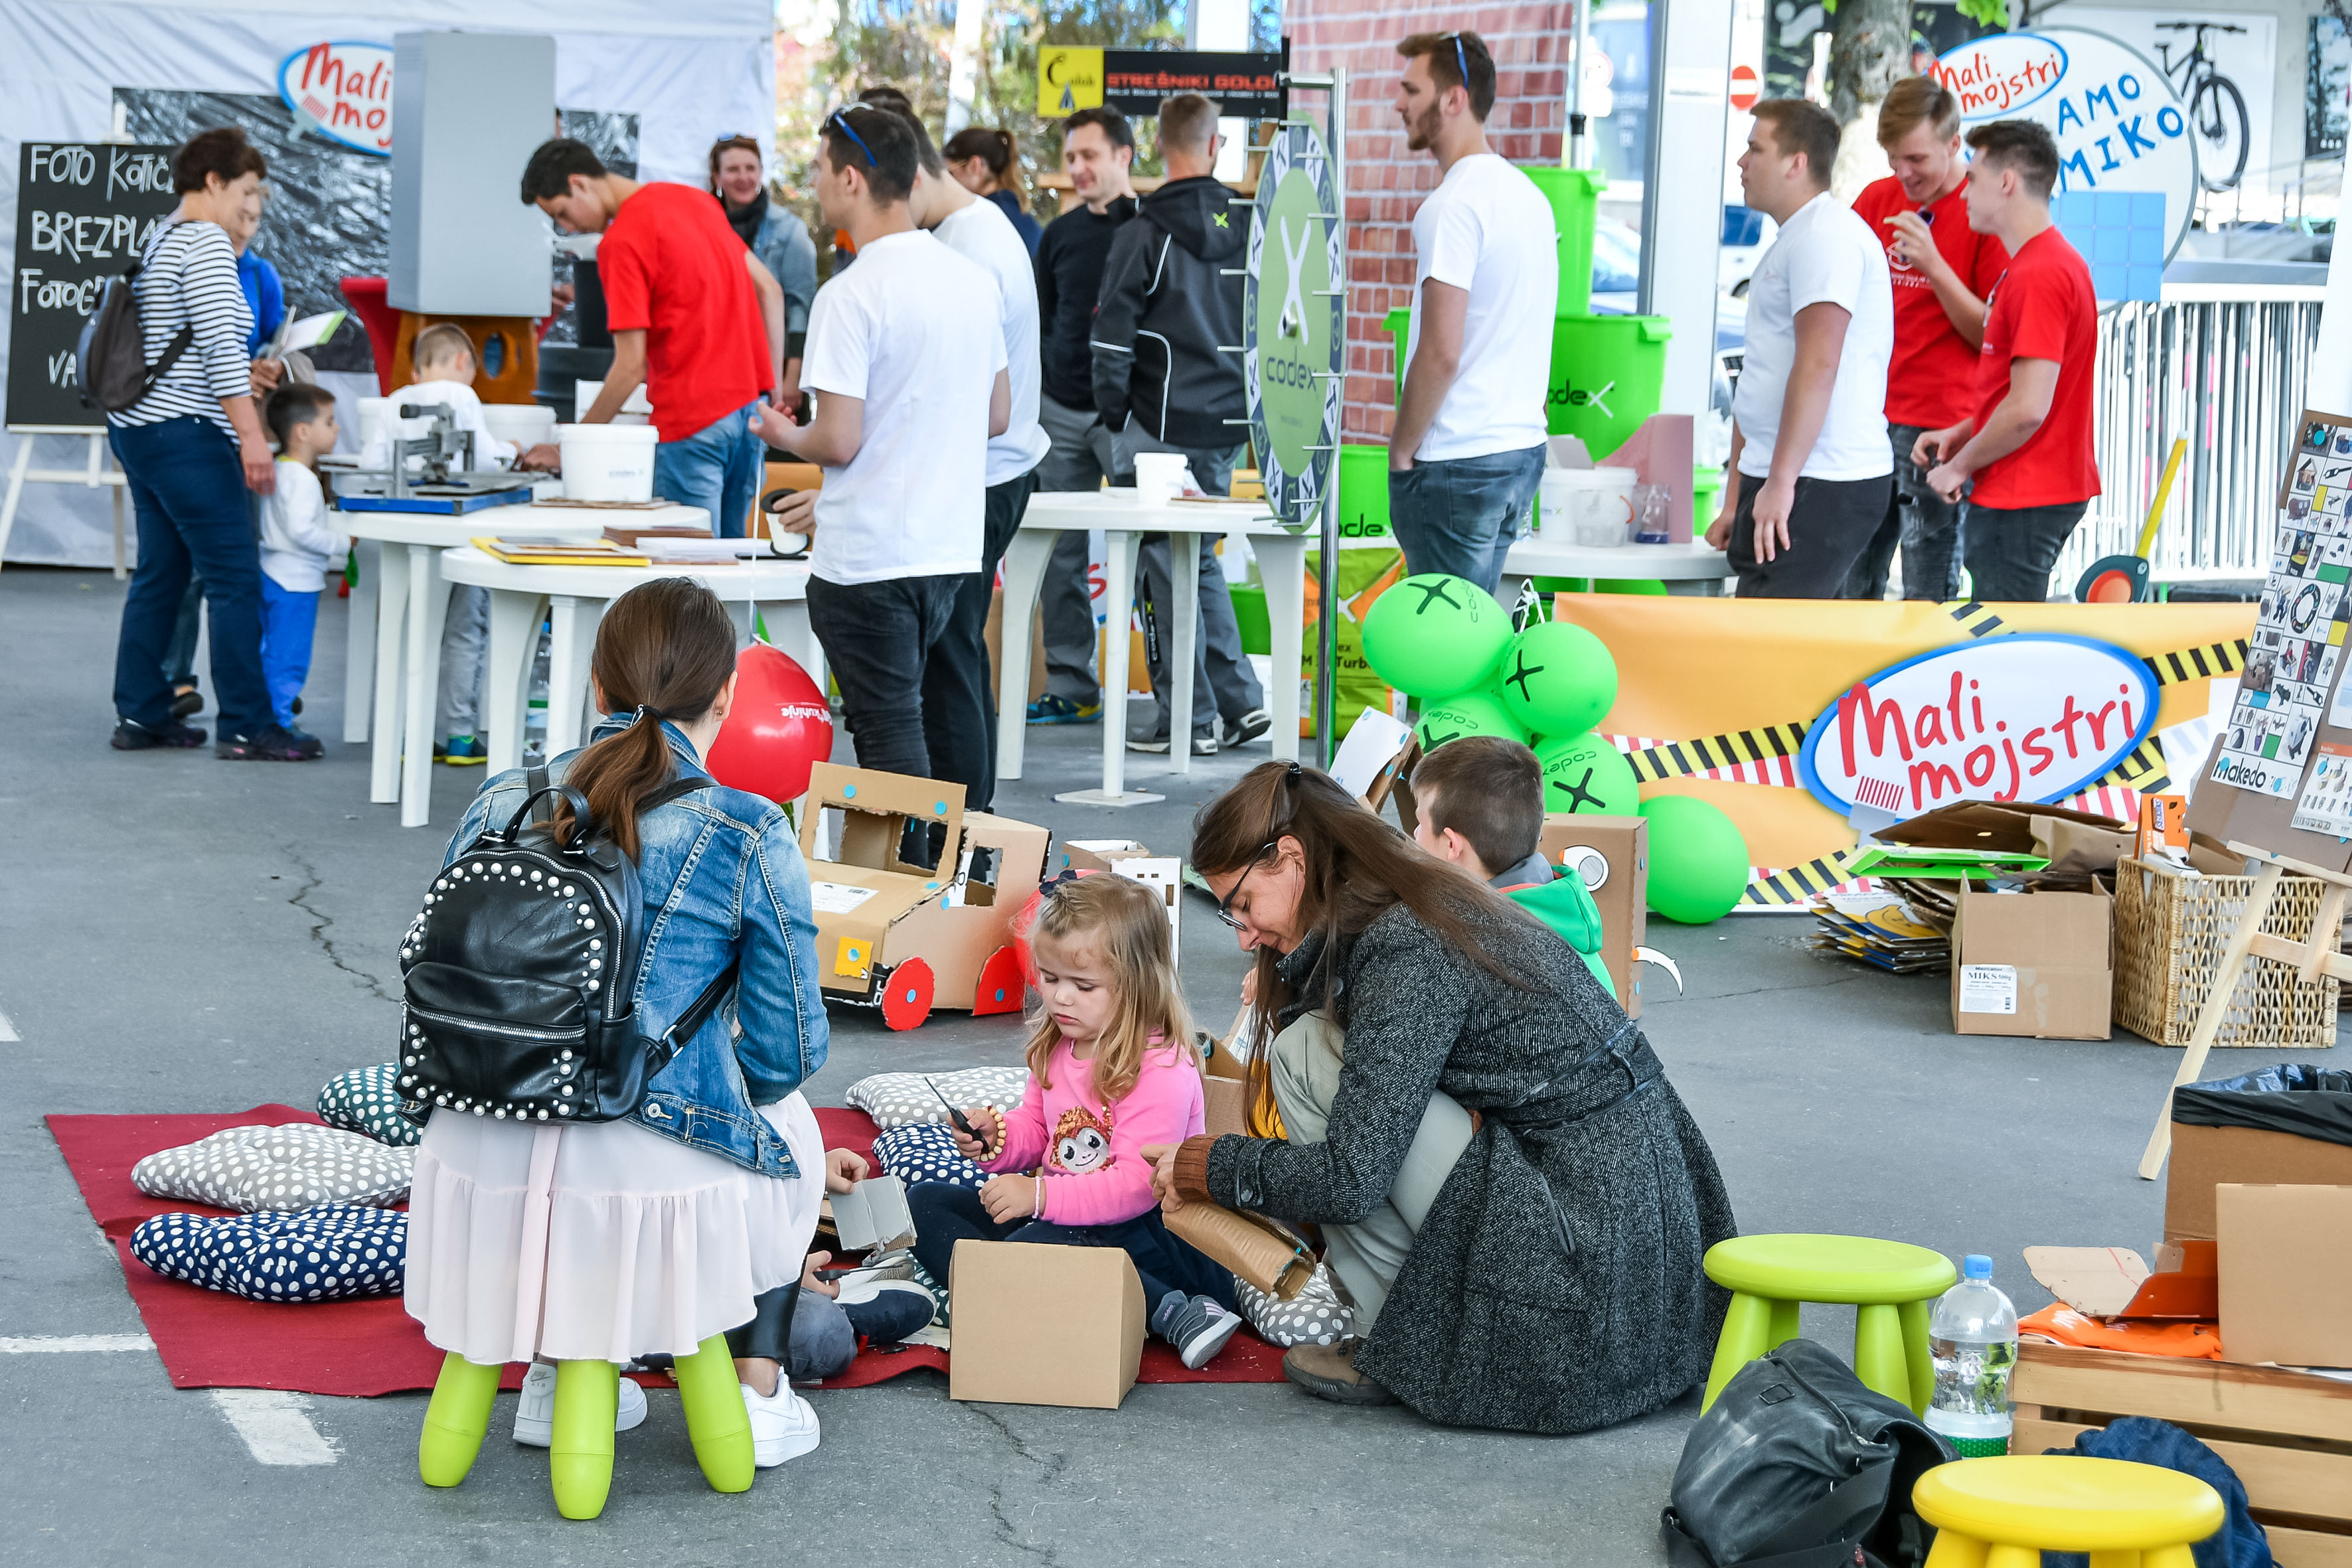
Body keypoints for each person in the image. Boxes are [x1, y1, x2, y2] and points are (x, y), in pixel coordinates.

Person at [1146, 761, 1735, 1429]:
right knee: (1324, 1056)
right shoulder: (1422, 901)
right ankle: (1409, 1317)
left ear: (1291, 858)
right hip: (1638, 1262)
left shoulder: (1407, 944)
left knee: (1305, 1054)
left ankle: (1392, 1339)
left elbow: (1350, 1179)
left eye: (1241, 904)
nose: (1243, 934)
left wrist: (1209, 1164)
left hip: (1584, 1282)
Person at [407, 578, 833, 1469]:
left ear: (596, 684)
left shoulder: (502, 798)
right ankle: (757, 1392)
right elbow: (789, 1049)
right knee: (791, 1121)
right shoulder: (747, 828)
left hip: (477, 1137)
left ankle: (552, 1375)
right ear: (727, 696)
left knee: (575, 1144)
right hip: (648, 1162)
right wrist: (720, 1081)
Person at [752, 106, 1010, 785]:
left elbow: (837, 439)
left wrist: (781, 433)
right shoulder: (972, 282)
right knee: (919, 721)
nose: (813, 182)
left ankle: (912, 858)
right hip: (948, 546)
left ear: (851, 179)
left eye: (817, 168)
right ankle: (945, 849)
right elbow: (996, 414)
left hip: (868, 558)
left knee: (889, 733)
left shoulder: (849, 293)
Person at [910, 873, 1245, 1370]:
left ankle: (1176, 1313)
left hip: (1153, 1240)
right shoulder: (1058, 1045)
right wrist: (996, 1139)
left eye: (1083, 985)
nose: (1060, 998)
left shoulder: (1161, 1067)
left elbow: (1137, 1187)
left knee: (1038, 1244)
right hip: (1064, 1219)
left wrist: (1039, 1196)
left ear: (1137, 984)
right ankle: (1008, 1284)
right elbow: (1038, 1132)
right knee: (925, 1202)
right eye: (1049, 979)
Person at [108, 127, 320, 762]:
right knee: (233, 578)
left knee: (162, 573)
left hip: (139, 430)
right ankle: (248, 724)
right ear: (214, 181)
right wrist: (253, 439)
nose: (250, 205)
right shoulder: (204, 243)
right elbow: (223, 351)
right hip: (188, 438)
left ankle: (141, 713)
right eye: (246, 190)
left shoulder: (162, 236)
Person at [1092, 92, 1269, 758]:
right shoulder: (1250, 226)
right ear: (1215, 145)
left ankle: (1186, 720)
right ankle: (1241, 702)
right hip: (1226, 421)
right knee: (1195, 559)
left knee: (1162, 568)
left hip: (1156, 423)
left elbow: (1111, 338)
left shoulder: (1142, 231)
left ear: (1158, 146)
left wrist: (1115, 415)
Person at [516, 139, 786, 538]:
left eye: (562, 214)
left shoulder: (621, 243)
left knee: (685, 569)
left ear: (579, 184)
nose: (568, 228)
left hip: (690, 424)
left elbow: (630, 367)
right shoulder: (696, 201)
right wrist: (773, 390)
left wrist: (570, 448)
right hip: (749, 414)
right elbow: (770, 290)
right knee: (730, 561)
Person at [898, 112, 1048, 809]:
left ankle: (965, 829)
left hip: (981, 475)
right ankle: (966, 828)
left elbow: (982, 406)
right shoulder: (969, 231)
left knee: (950, 653)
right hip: (984, 471)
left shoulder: (971, 248)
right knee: (954, 650)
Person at [1386, 32, 1558, 596]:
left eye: (1411, 90)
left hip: (1456, 460)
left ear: (1454, 99)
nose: (1398, 104)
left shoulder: (1452, 206)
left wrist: (1401, 448)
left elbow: (1440, 351)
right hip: (1518, 451)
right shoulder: (1529, 198)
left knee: (1445, 641)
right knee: (1482, 632)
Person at [1705, 99, 1895, 599]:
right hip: (1788, 475)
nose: (1741, 163)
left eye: (1755, 149)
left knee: (1772, 638)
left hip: (1821, 478)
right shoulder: (1795, 238)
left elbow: (1818, 363)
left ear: (1797, 163)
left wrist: (1782, 481)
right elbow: (1761, 375)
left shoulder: (1825, 237)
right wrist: (1737, 499)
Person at [1913, 120, 2100, 603]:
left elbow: (2027, 409)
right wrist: (1964, 432)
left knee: (2006, 642)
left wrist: (1958, 467)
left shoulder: (2040, 272)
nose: (1962, 193)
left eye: (1972, 179)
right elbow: (2023, 393)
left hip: (2024, 494)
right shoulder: (2043, 263)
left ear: (2006, 182)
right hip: (2025, 489)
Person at [1842, 77, 2007, 602]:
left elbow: (1993, 335)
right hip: (1866, 415)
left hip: (1938, 426)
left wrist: (1933, 265)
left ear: (1954, 144)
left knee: (1927, 588)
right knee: (1849, 583)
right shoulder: (1876, 199)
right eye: (1893, 159)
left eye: (1915, 159)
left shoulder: (1983, 214)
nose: (1903, 173)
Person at [360, 324, 520, 764]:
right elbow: (485, 459)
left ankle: (408, 737)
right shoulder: (462, 395)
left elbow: (374, 463)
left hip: (410, 534)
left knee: (410, 630)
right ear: (464, 362)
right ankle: (460, 738)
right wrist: (512, 451)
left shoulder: (396, 401)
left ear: (417, 370)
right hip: (459, 532)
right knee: (465, 630)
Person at [1027, 107, 1138, 728]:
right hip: (1061, 411)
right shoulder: (1059, 234)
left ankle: (1172, 697)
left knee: (1152, 554)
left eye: (1089, 156)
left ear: (1124, 155)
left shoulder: (1149, 229)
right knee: (1061, 555)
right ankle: (1073, 686)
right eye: (1071, 157)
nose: (1077, 168)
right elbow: (1044, 321)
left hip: (1126, 417)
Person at [162, 171, 287, 724]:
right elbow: (209, 352)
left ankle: (262, 690)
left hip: (241, 423)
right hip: (203, 428)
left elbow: (270, 340)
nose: (246, 228)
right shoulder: (191, 253)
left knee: (236, 565)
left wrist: (267, 368)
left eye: (255, 219)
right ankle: (179, 682)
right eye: (242, 213)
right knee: (189, 567)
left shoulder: (262, 275)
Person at [1407, 735, 1616, 998]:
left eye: (1420, 823)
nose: (1415, 834)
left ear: (1451, 845)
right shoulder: (1562, 909)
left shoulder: (1473, 956)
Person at [254, 384, 346, 744]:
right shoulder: (304, 479)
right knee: (289, 655)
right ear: (303, 432)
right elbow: (302, 531)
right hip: (297, 581)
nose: (337, 429)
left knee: (271, 648)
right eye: (330, 422)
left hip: (273, 573)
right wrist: (343, 543)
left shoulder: (279, 468)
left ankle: (272, 708)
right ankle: (280, 722)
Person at [709, 135, 818, 414]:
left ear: (760, 172)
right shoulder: (704, 227)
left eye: (751, 168)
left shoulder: (789, 229)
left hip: (774, 376)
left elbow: (800, 308)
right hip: (717, 370)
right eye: (733, 169)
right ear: (717, 177)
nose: (743, 177)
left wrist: (792, 377)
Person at [943, 126, 1043, 257]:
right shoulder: (1020, 215)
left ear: (974, 166)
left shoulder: (981, 220)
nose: (947, 183)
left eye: (950, 173)